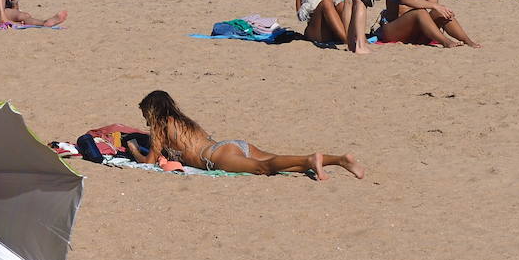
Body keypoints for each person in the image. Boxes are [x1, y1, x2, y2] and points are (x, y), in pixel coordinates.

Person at [134, 90, 364, 179]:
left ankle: (310, 159)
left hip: (215, 157)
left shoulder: (160, 127)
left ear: (153, 112)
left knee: (264, 168)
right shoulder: (185, 123)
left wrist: (134, 148)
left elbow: (149, 162)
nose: (145, 120)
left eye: (146, 114)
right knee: (276, 163)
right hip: (231, 144)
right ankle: (339, 160)